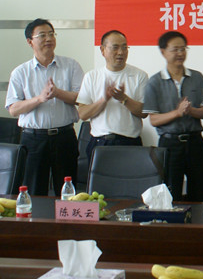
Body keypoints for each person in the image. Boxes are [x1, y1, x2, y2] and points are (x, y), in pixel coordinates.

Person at [5, 18, 83, 196]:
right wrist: (39, 99)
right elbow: (13, 108)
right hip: (33, 140)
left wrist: (58, 93)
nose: (48, 39)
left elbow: (82, 99)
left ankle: (66, 216)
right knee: (34, 191)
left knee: (67, 192)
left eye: (51, 34)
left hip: (64, 137)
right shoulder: (20, 72)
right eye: (42, 35)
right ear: (30, 41)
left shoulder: (71, 66)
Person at [143, 31, 203, 201]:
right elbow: (153, 120)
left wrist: (190, 111)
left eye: (183, 49)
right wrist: (177, 113)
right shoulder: (154, 82)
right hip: (170, 144)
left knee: (200, 189)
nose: (180, 53)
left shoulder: (196, 77)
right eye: (175, 49)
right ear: (163, 51)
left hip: (195, 142)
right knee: (171, 192)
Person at [77, 30, 149, 159]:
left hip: (130, 143)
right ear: (102, 50)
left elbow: (144, 113)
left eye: (124, 47)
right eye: (115, 47)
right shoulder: (91, 76)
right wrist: (103, 100)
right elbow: (82, 114)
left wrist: (124, 99)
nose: (121, 52)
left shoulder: (139, 76)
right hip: (100, 142)